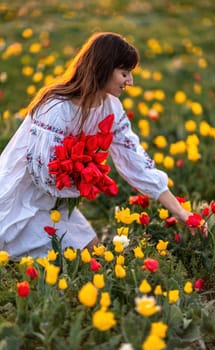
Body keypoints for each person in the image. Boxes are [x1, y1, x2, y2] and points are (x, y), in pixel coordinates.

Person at [0, 32, 193, 261]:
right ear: (103, 68)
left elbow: (136, 160)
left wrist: (179, 211)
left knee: (93, 255)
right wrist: (87, 179)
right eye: (124, 73)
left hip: (57, 202)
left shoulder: (111, 108)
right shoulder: (56, 107)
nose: (130, 81)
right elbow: (42, 173)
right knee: (17, 249)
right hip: (23, 196)